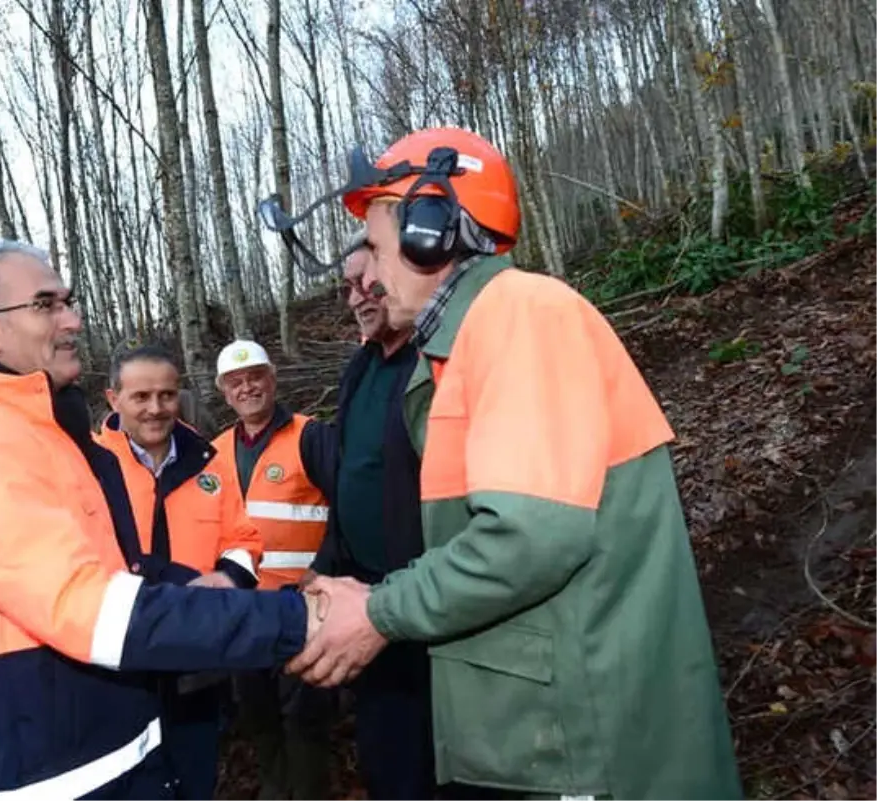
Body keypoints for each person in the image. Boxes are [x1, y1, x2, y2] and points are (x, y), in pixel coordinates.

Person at [279, 127, 742, 799]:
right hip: (547, 733)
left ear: (431, 230)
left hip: (585, 742)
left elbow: (528, 537)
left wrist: (380, 609)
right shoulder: (463, 344)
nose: (370, 277)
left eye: (376, 250)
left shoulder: (523, 316)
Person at [0, 239, 323, 800]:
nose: (72, 319)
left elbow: (124, 566)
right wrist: (297, 620)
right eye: (46, 305)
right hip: (54, 768)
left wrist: (228, 589)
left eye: (68, 301)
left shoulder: (43, 430)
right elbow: (87, 607)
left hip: (113, 735)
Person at [97, 344, 262, 801]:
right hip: (119, 668)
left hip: (196, 662)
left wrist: (227, 579)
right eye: (141, 397)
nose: (156, 409)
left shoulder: (210, 461)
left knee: (195, 778)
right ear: (114, 399)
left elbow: (244, 541)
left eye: (167, 395)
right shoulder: (89, 465)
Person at [307, 227, 435, 801]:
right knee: (389, 758)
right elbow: (348, 477)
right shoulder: (359, 369)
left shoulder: (432, 364)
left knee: (452, 758)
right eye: (347, 286)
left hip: (431, 600)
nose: (358, 295)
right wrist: (327, 568)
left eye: (367, 280)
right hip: (366, 601)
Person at [211, 340, 336, 801]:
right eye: (236, 381)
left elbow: (346, 508)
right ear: (224, 392)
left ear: (272, 378)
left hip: (301, 609)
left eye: (255, 376)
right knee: (256, 711)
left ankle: (307, 793)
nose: (248, 387)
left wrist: (325, 570)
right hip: (243, 610)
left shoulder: (310, 436)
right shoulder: (216, 450)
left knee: (304, 715)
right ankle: (273, 787)